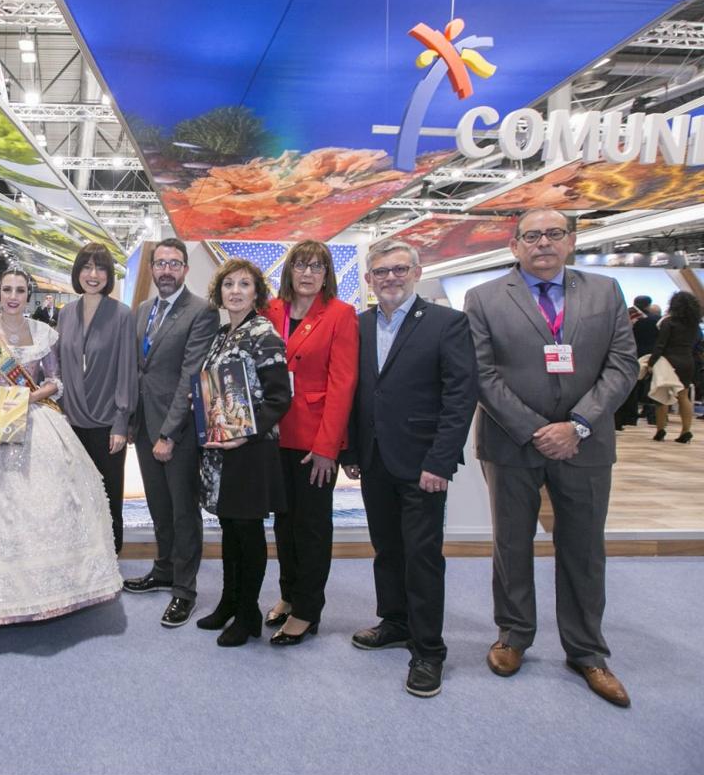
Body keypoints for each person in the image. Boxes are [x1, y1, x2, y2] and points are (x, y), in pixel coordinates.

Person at [464, 208, 638, 707]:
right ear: (514, 245)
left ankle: (587, 651)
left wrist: (577, 425)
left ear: (571, 240)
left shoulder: (605, 292)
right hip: (512, 441)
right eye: (532, 235)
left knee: (584, 548)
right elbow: (481, 374)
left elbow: (622, 366)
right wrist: (537, 430)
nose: (543, 243)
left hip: (586, 442)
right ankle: (513, 635)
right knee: (511, 542)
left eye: (554, 233)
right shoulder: (484, 298)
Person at [0, 267, 122, 625]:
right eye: (7, 289)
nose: (13, 296)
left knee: (50, 497)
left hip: (37, 419)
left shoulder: (44, 333)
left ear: (29, 295)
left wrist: (26, 399)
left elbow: (55, 381)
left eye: (20, 290)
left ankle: (50, 586)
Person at [340, 240, 478, 698]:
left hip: (423, 464)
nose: (391, 278)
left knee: (422, 556)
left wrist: (441, 460)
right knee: (387, 549)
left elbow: (460, 397)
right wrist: (351, 451)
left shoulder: (446, 323)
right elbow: (356, 392)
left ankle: (428, 650)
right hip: (374, 458)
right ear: (368, 279)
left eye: (399, 269)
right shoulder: (359, 325)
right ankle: (395, 622)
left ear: (417, 273)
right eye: (381, 272)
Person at [258, 240, 358, 645]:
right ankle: (288, 595)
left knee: (311, 527)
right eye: (301, 265)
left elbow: (343, 384)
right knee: (283, 523)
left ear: (327, 274)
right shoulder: (271, 310)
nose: (308, 273)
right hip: (273, 435)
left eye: (317, 266)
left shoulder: (340, 314)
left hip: (315, 440)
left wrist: (327, 448)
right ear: (289, 271)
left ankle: (307, 610)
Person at [194, 259, 291, 647]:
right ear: (220, 292)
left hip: (250, 452)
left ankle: (248, 613)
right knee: (230, 531)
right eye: (229, 284)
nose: (235, 291)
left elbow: (279, 398)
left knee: (248, 534)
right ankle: (229, 603)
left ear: (256, 293)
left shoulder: (264, 334)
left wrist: (245, 436)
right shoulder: (222, 334)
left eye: (244, 284)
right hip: (222, 451)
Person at [123, 238, 220, 627]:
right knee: (159, 506)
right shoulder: (143, 310)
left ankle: (185, 589)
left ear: (185, 269)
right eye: (160, 263)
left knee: (183, 511)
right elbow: (139, 369)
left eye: (174, 263)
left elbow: (190, 376)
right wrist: (134, 423)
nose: (166, 270)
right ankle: (163, 569)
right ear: (152, 268)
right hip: (145, 424)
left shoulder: (202, 312)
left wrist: (168, 433)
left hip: (176, 430)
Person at [57, 243, 138, 553]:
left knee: (108, 495)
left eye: (100, 268)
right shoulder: (66, 314)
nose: (93, 274)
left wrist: (121, 422)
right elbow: (60, 366)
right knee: (75, 495)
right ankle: (80, 559)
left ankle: (109, 558)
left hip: (107, 423)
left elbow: (127, 370)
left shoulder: (122, 315)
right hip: (71, 421)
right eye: (87, 267)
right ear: (77, 272)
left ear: (109, 275)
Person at [649, 290, 701, 444]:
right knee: (683, 396)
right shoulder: (694, 325)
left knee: (662, 395)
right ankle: (686, 430)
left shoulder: (668, 322)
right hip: (687, 361)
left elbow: (660, 344)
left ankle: (660, 430)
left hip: (668, 360)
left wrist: (651, 362)